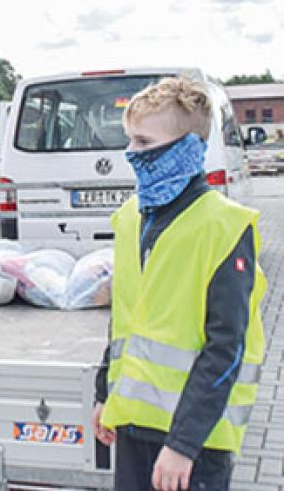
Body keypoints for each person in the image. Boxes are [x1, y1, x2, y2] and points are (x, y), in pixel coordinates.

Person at [91, 77, 266, 491]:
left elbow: (226, 346)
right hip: (133, 428)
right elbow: (125, 320)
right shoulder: (132, 216)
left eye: (144, 142)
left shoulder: (223, 225)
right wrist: (105, 394)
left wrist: (184, 445)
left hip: (193, 445)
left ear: (188, 147)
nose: (131, 154)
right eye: (130, 140)